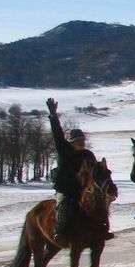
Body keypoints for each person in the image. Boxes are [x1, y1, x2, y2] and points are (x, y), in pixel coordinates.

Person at [45, 98, 113, 241]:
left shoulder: (88, 154)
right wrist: (53, 116)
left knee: (100, 204)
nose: (81, 142)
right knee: (64, 205)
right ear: (71, 141)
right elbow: (57, 135)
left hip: (84, 189)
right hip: (67, 188)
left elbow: (95, 172)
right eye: (78, 140)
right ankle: (60, 230)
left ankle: (103, 228)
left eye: (82, 139)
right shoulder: (64, 151)